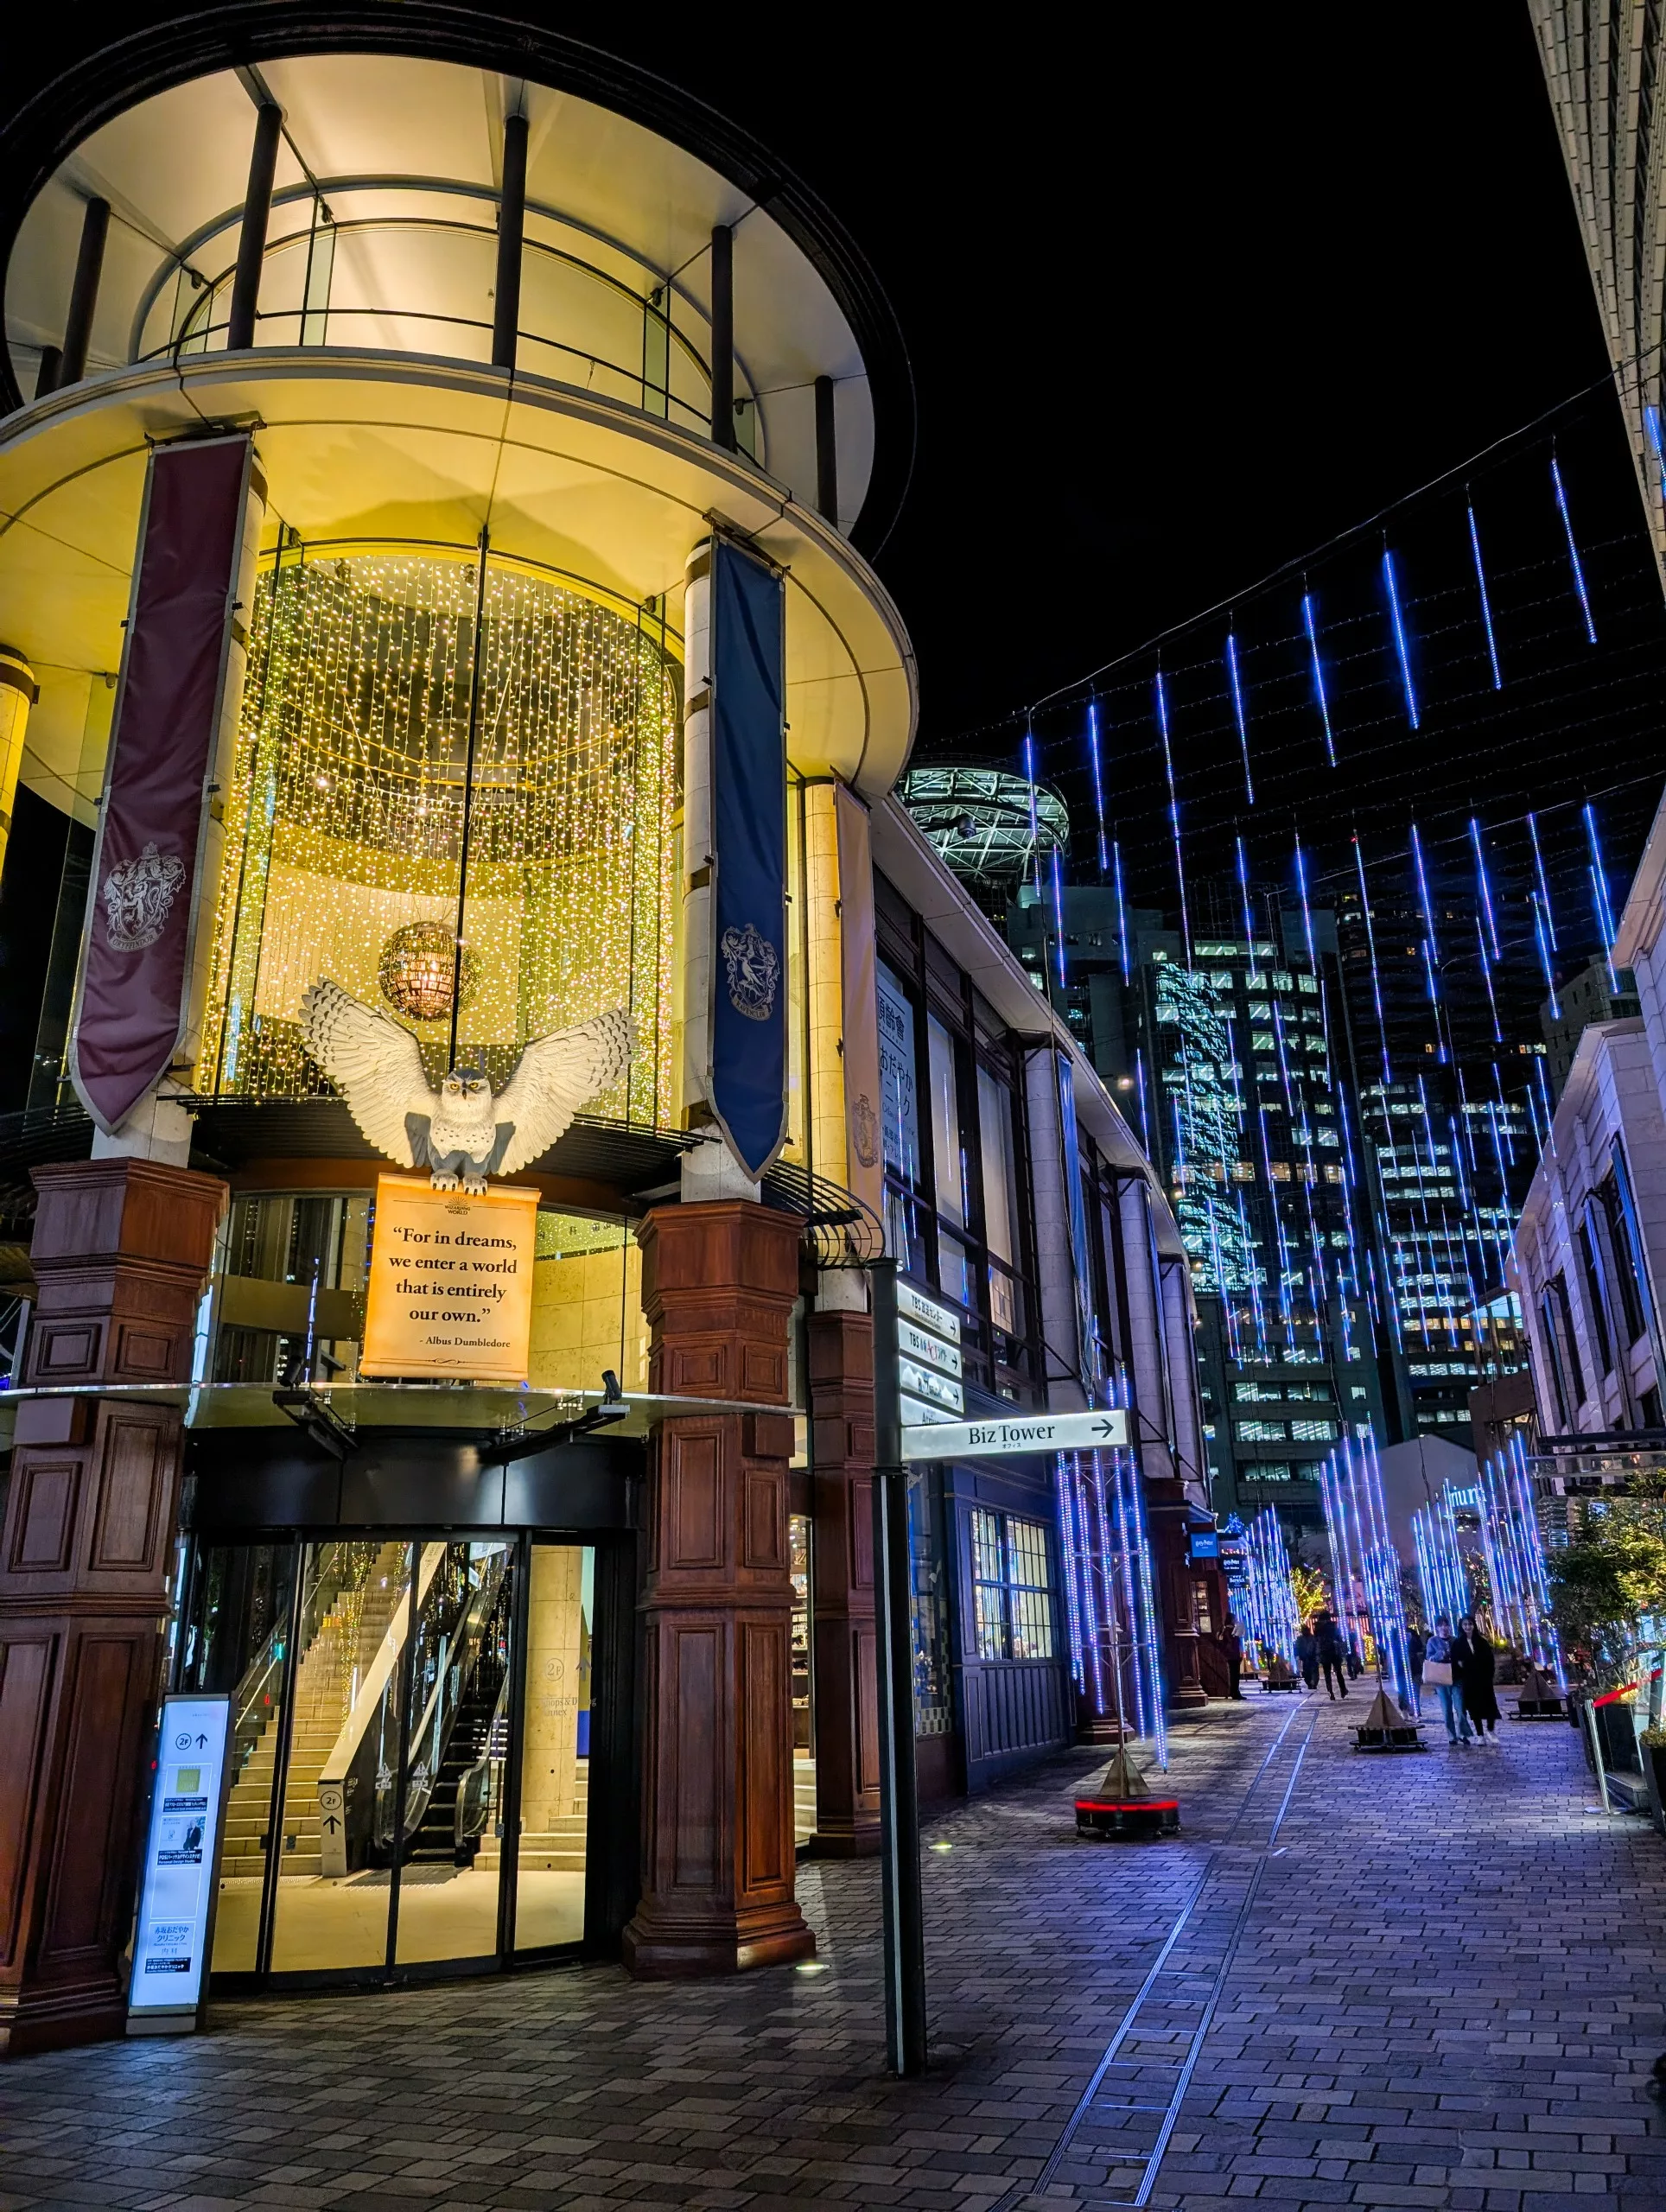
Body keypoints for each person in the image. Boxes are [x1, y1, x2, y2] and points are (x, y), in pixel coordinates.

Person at [1424, 1616, 1472, 1745]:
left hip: (1456, 1677)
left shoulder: (1455, 1640)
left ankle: (1463, 1733)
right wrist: (1440, 1655)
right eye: (1441, 1625)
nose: (1444, 1628)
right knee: (1446, 1708)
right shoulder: (1432, 1641)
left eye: (1446, 1625)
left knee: (1460, 1707)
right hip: (1441, 1679)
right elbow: (1429, 1658)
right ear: (1437, 1627)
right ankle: (1452, 1735)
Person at [1455, 1614, 1501, 1743]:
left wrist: (1489, 1675)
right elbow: (1457, 1662)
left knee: (1490, 1706)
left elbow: (1489, 1660)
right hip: (1469, 1681)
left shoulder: (1482, 1642)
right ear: (1461, 1626)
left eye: (1470, 1624)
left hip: (1484, 1679)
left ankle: (1490, 1730)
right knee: (1474, 1708)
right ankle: (1480, 1734)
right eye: (1465, 1624)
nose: (1468, 1627)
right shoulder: (1458, 1643)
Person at [1313, 1609, 1348, 1700]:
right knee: (1338, 1672)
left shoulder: (1317, 1628)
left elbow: (1316, 1641)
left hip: (1324, 1652)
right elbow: (1339, 1638)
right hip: (1334, 1651)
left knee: (1327, 1673)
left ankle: (1331, 1692)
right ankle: (1343, 1690)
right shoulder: (1333, 1627)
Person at [1405, 1624, 1427, 1717]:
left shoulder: (1413, 1635)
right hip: (1408, 1670)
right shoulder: (1412, 1635)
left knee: (1415, 1691)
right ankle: (1412, 1709)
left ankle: (1415, 1709)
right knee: (1411, 1691)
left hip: (1414, 1669)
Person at [1294, 1620, 1319, 1692]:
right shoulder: (1301, 1639)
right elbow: (1297, 1647)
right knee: (1308, 1671)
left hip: (1311, 1657)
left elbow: (1316, 1647)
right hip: (1306, 1657)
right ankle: (1310, 1683)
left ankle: (1313, 1683)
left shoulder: (1312, 1638)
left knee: (1312, 1671)